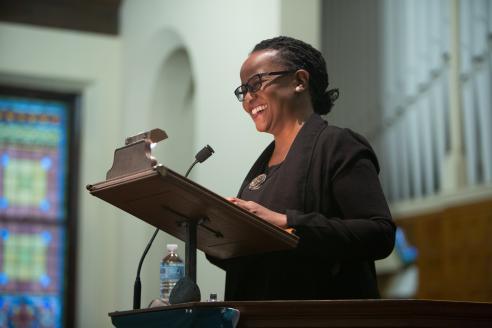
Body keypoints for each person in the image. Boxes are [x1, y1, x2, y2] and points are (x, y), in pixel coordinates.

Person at [208, 36, 395, 301]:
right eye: (243, 90)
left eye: (256, 83)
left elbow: (379, 234)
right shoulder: (260, 168)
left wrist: (287, 222)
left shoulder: (338, 145)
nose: (248, 98)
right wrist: (221, 236)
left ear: (299, 81)